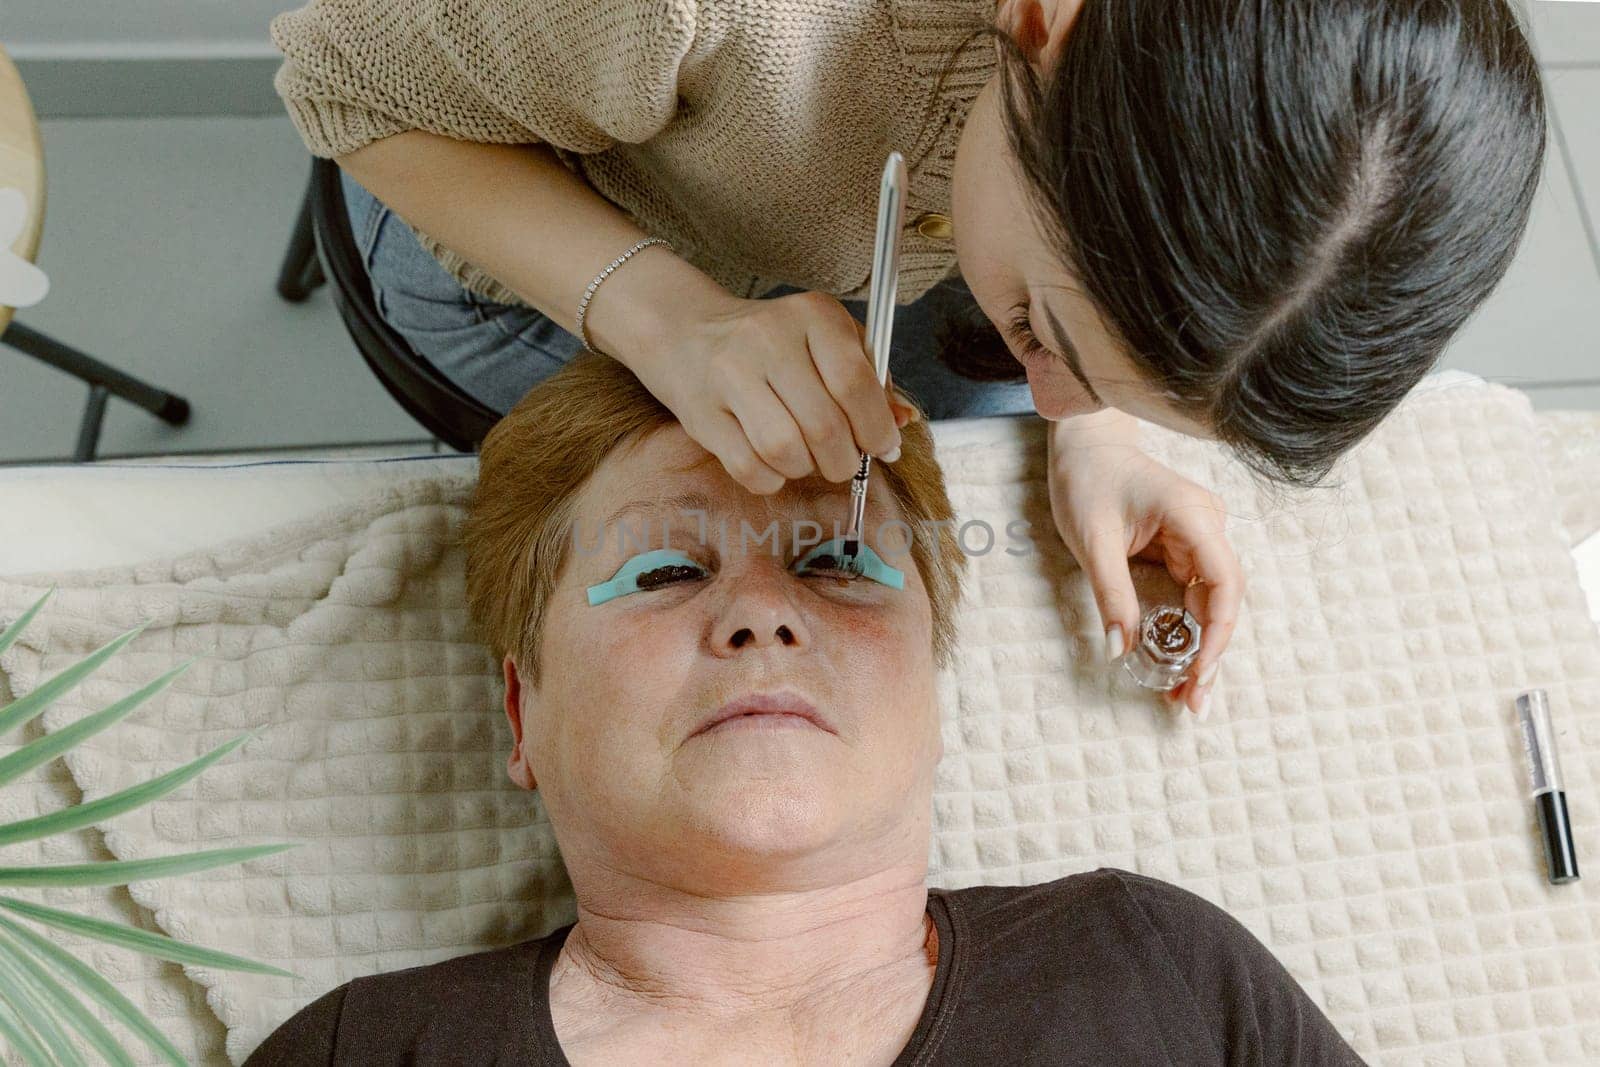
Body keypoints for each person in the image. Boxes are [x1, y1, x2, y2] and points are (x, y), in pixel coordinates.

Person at [268, 0, 1545, 722]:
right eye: (1046, 336)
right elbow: (339, 86)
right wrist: (666, 317)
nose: (1031, 398)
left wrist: (1100, 426)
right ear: (1046, 26)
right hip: (510, 219)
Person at [244, 352, 1369, 1065]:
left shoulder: (1149, 962)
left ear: (934, 683)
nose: (760, 617)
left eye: (835, 560)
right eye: (660, 572)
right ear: (519, 708)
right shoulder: (368, 1050)